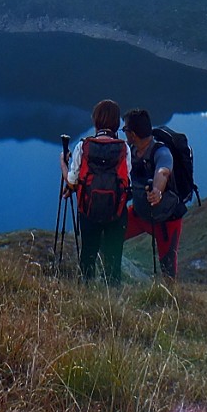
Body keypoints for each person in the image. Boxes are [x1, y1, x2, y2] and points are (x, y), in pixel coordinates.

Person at [61, 98, 130, 284]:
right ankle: (113, 292)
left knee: (88, 252)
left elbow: (73, 180)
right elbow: (126, 180)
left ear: (96, 120)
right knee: (114, 255)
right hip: (117, 212)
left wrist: (63, 164)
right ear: (116, 123)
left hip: (88, 210)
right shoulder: (124, 148)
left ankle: (86, 288)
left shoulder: (83, 147)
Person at [123, 107, 185, 278]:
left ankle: (170, 300)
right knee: (111, 238)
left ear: (132, 134)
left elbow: (163, 171)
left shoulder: (161, 151)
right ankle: (112, 278)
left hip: (166, 221)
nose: (124, 134)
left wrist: (157, 190)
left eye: (125, 130)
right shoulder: (130, 152)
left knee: (168, 267)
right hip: (139, 213)